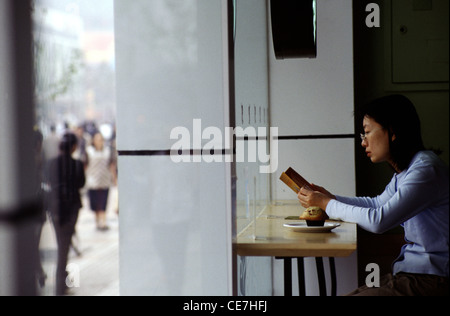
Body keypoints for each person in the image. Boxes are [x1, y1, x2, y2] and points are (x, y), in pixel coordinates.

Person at [298, 94, 449, 296]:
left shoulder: (425, 171)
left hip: (433, 280)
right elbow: (376, 204)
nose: (363, 142)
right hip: (412, 275)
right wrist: (331, 198)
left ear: (392, 131)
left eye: (367, 133)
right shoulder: (407, 171)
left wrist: (327, 204)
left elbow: (379, 220)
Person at [46, 133, 86, 296]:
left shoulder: (51, 164)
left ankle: (62, 278)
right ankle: (60, 281)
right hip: (71, 209)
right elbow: (81, 183)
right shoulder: (77, 164)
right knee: (64, 245)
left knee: (62, 243)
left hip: (56, 208)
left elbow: (47, 180)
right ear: (74, 147)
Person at [85, 132, 116, 231]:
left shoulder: (107, 151)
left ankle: (103, 222)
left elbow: (111, 165)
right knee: (95, 204)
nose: (99, 141)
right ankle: (97, 221)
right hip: (92, 181)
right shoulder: (88, 151)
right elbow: (85, 166)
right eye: (97, 139)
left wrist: (114, 178)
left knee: (103, 202)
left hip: (104, 180)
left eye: (101, 139)